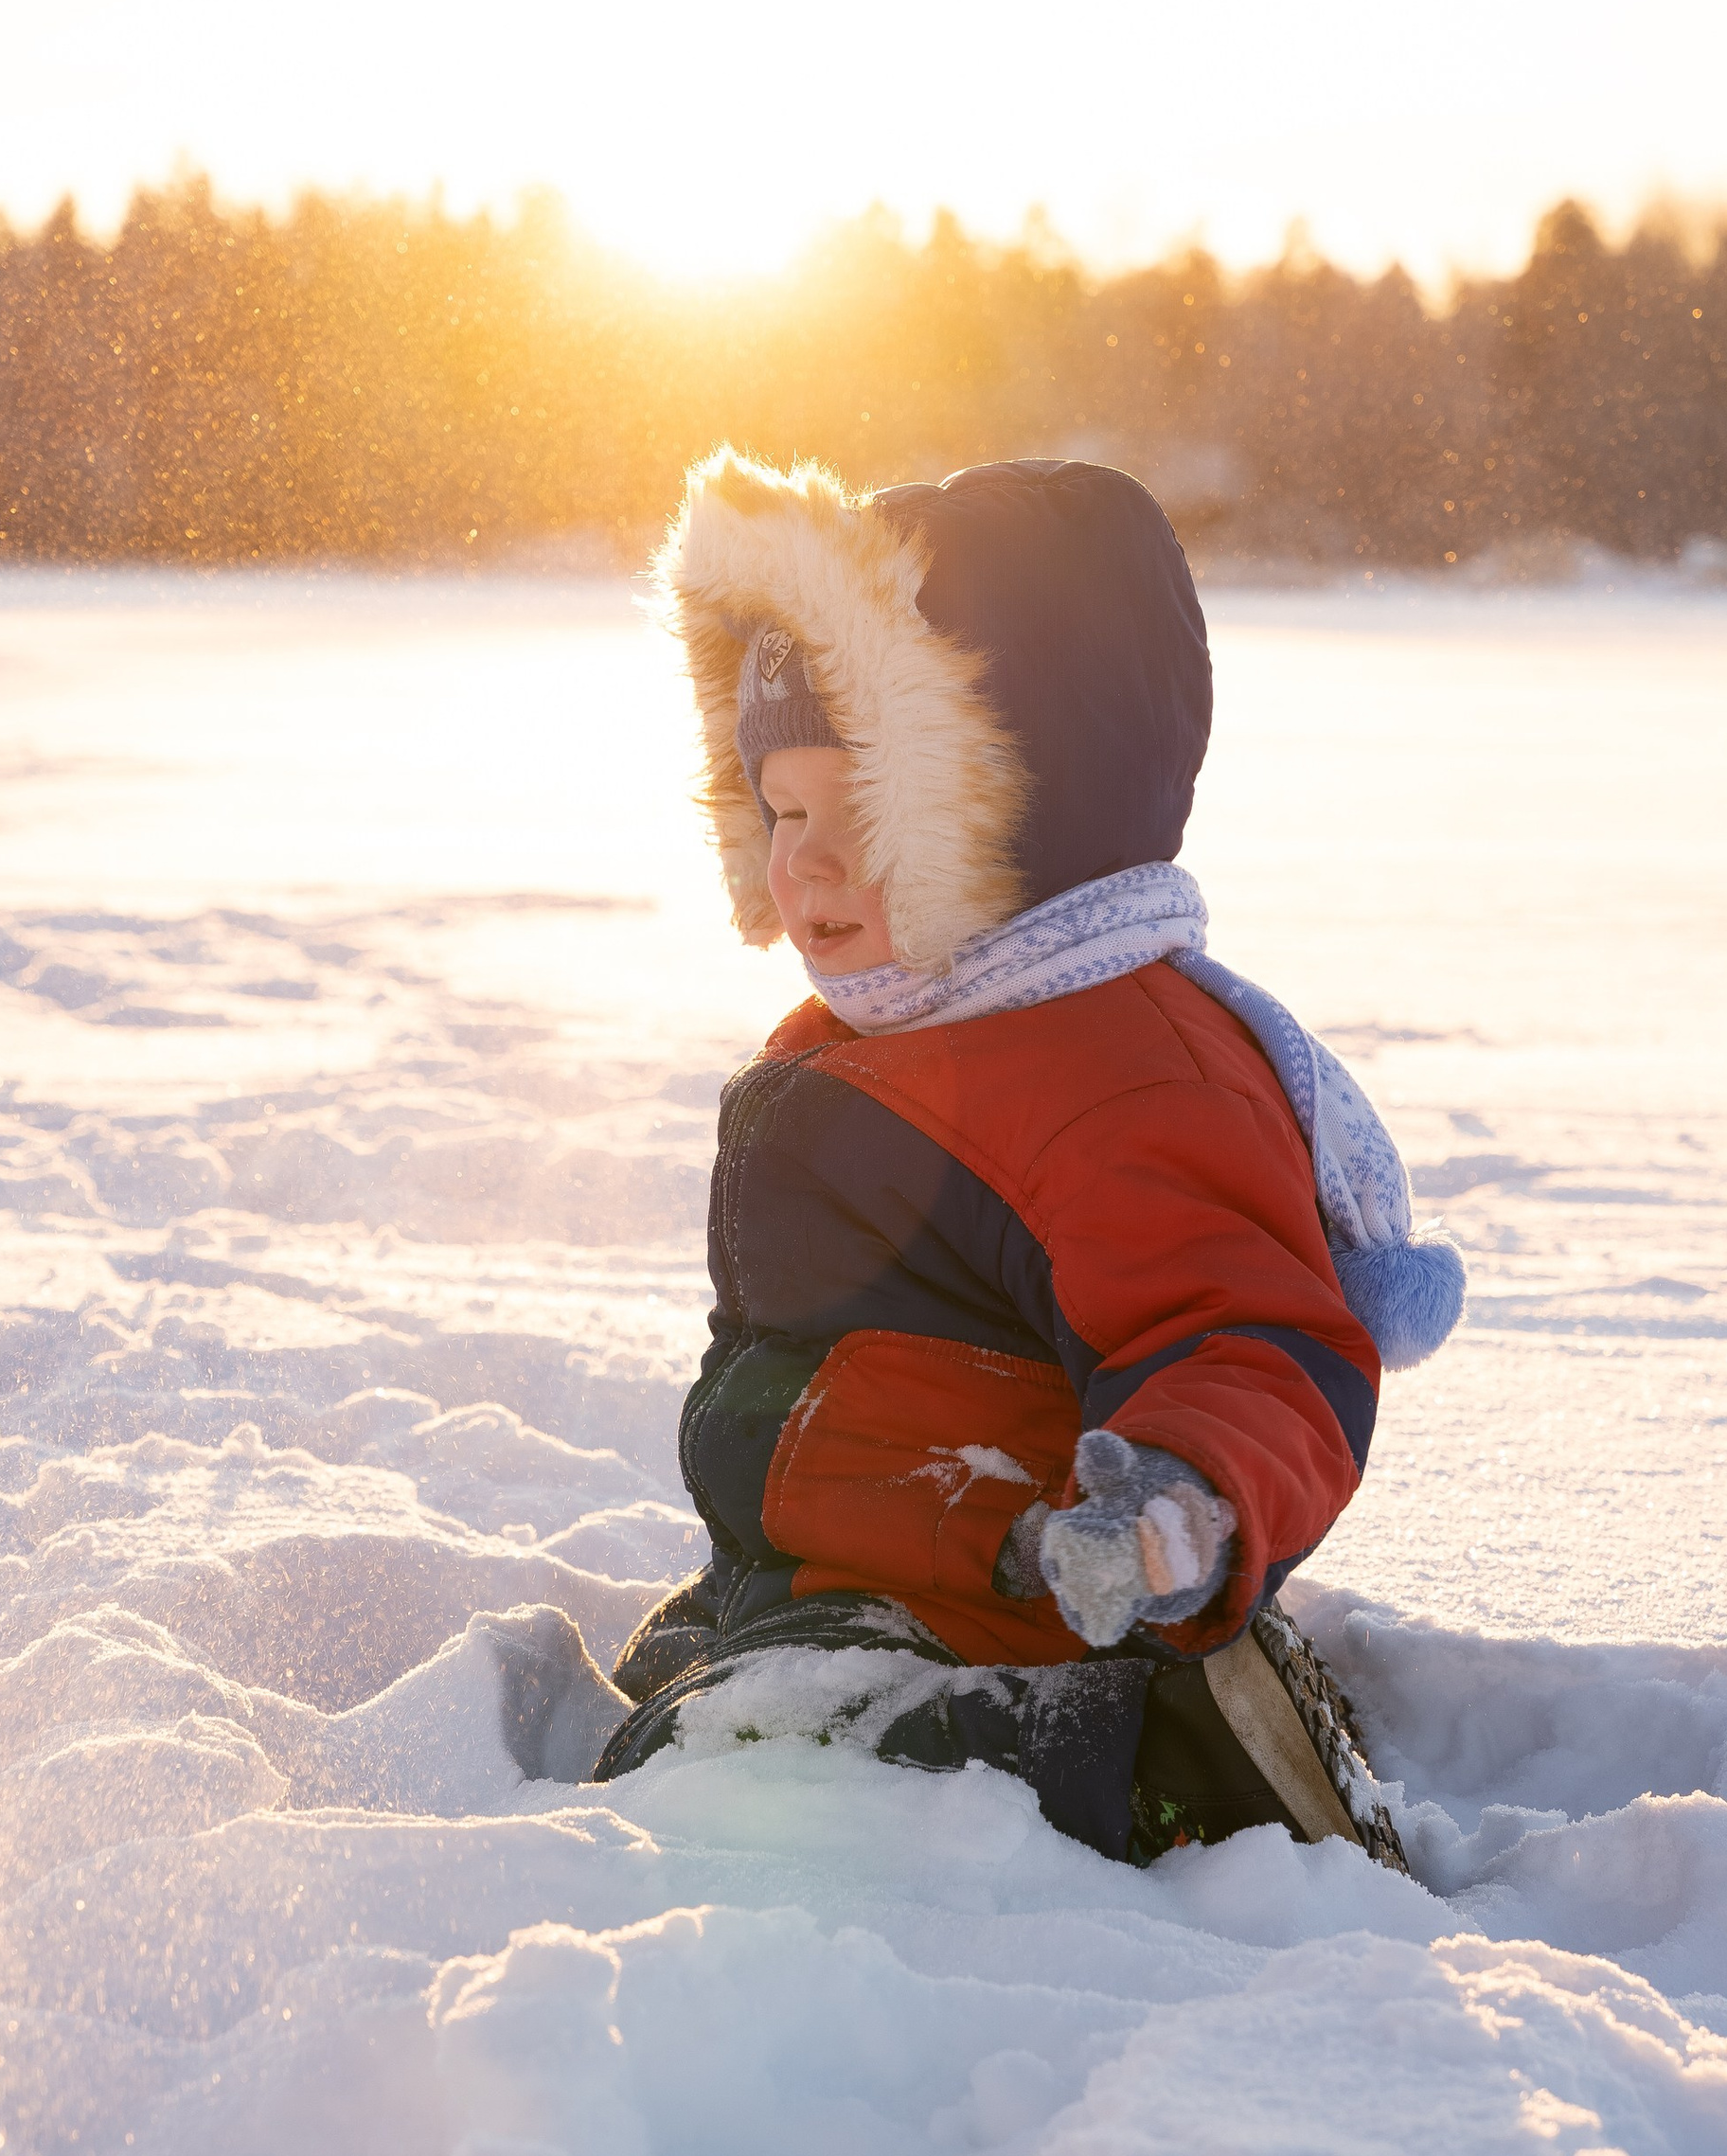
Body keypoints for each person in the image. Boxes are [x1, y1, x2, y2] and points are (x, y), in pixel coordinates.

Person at [592, 450, 1465, 1869]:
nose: (803, 864)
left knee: (766, 1754)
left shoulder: (1114, 1071)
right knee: (693, 1700)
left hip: (1027, 1615)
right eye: (782, 812)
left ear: (1010, 800)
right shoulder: (886, 1024)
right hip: (839, 1574)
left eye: (857, 815)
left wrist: (1177, 1510)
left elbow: (1249, 1333)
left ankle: (1181, 1756)